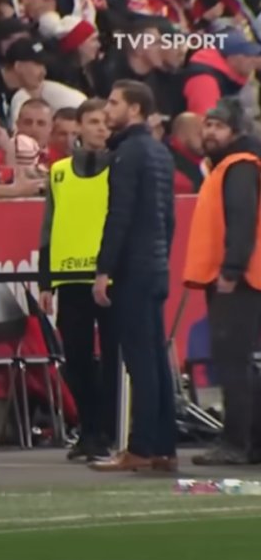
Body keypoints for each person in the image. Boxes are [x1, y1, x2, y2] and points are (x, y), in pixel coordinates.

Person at [90, 80, 178, 473]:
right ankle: (163, 447)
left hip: (134, 269)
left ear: (136, 110)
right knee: (156, 359)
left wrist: (104, 269)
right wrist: (161, 258)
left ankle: (140, 447)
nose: (107, 110)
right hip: (155, 265)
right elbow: (168, 218)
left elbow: (119, 215)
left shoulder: (128, 154)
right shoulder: (159, 152)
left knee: (140, 360)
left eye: (114, 103)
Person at [38, 98, 118, 462]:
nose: (102, 129)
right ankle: (88, 430)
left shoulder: (118, 167)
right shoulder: (58, 171)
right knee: (77, 359)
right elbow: (48, 227)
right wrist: (45, 282)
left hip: (109, 277)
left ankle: (105, 431)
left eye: (106, 123)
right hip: (69, 277)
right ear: (80, 126)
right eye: (95, 122)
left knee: (112, 358)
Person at [183, 98, 261, 466]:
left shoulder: (238, 165)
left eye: (219, 126)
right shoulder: (234, 164)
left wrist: (231, 270)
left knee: (232, 363)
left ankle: (235, 442)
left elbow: (242, 221)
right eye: (208, 125)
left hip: (237, 279)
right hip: (241, 277)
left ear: (236, 131)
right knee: (241, 362)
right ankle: (251, 442)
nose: (210, 132)